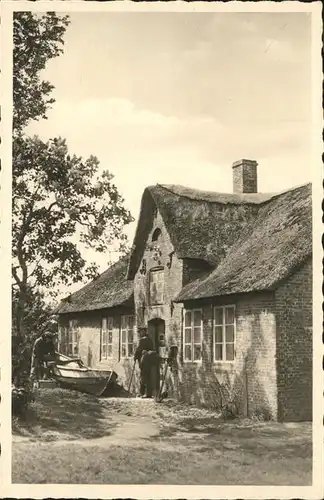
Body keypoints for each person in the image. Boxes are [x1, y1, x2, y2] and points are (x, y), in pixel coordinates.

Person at [134, 330, 156, 398]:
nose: (139, 333)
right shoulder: (150, 340)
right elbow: (152, 349)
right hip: (149, 361)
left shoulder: (142, 340)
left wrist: (135, 357)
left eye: (140, 332)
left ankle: (145, 393)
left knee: (144, 377)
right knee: (148, 377)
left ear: (143, 332)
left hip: (144, 361)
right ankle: (145, 393)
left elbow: (138, 350)